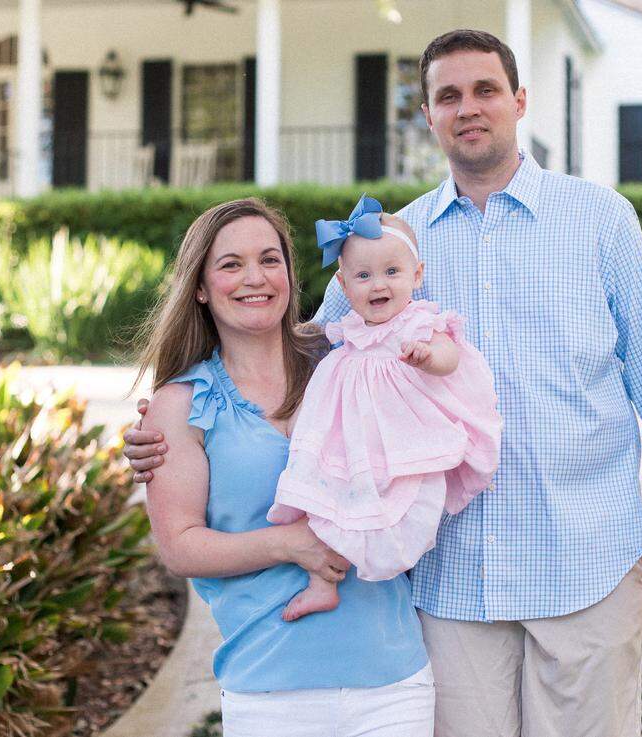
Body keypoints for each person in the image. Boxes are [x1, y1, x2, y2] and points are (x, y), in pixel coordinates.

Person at [127, 29, 642, 737]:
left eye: (484, 90)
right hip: (450, 579)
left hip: (584, 562)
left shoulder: (599, 220)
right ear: (430, 115)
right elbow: (309, 354)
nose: (467, 108)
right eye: (448, 96)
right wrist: (169, 423)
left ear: (519, 101)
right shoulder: (389, 242)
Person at [135, 198, 433, 736]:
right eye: (231, 264)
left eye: (271, 260)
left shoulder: (347, 359)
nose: (256, 278)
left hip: (394, 679)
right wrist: (288, 544)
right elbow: (179, 545)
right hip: (270, 688)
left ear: (292, 276)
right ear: (200, 286)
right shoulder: (181, 405)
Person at [268, 194, 501, 622]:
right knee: (330, 502)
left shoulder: (419, 322)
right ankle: (323, 583)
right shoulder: (347, 332)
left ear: (417, 276)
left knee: (410, 502)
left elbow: (450, 355)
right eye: (363, 275)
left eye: (392, 272)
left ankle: (401, 562)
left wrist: (428, 356)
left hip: (404, 439)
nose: (378, 285)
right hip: (355, 442)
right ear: (343, 286)